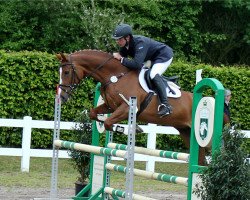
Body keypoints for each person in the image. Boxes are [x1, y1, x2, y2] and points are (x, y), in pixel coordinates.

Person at [112, 23, 174, 117]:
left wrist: (121, 59)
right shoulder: (126, 45)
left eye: (119, 39)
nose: (117, 42)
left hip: (163, 55)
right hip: (151, 59)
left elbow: (136, 64)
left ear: (127, 38)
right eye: (117, 39)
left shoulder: (140, 43)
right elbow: (121, 60)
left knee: (153, 74)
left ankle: (166, 106)